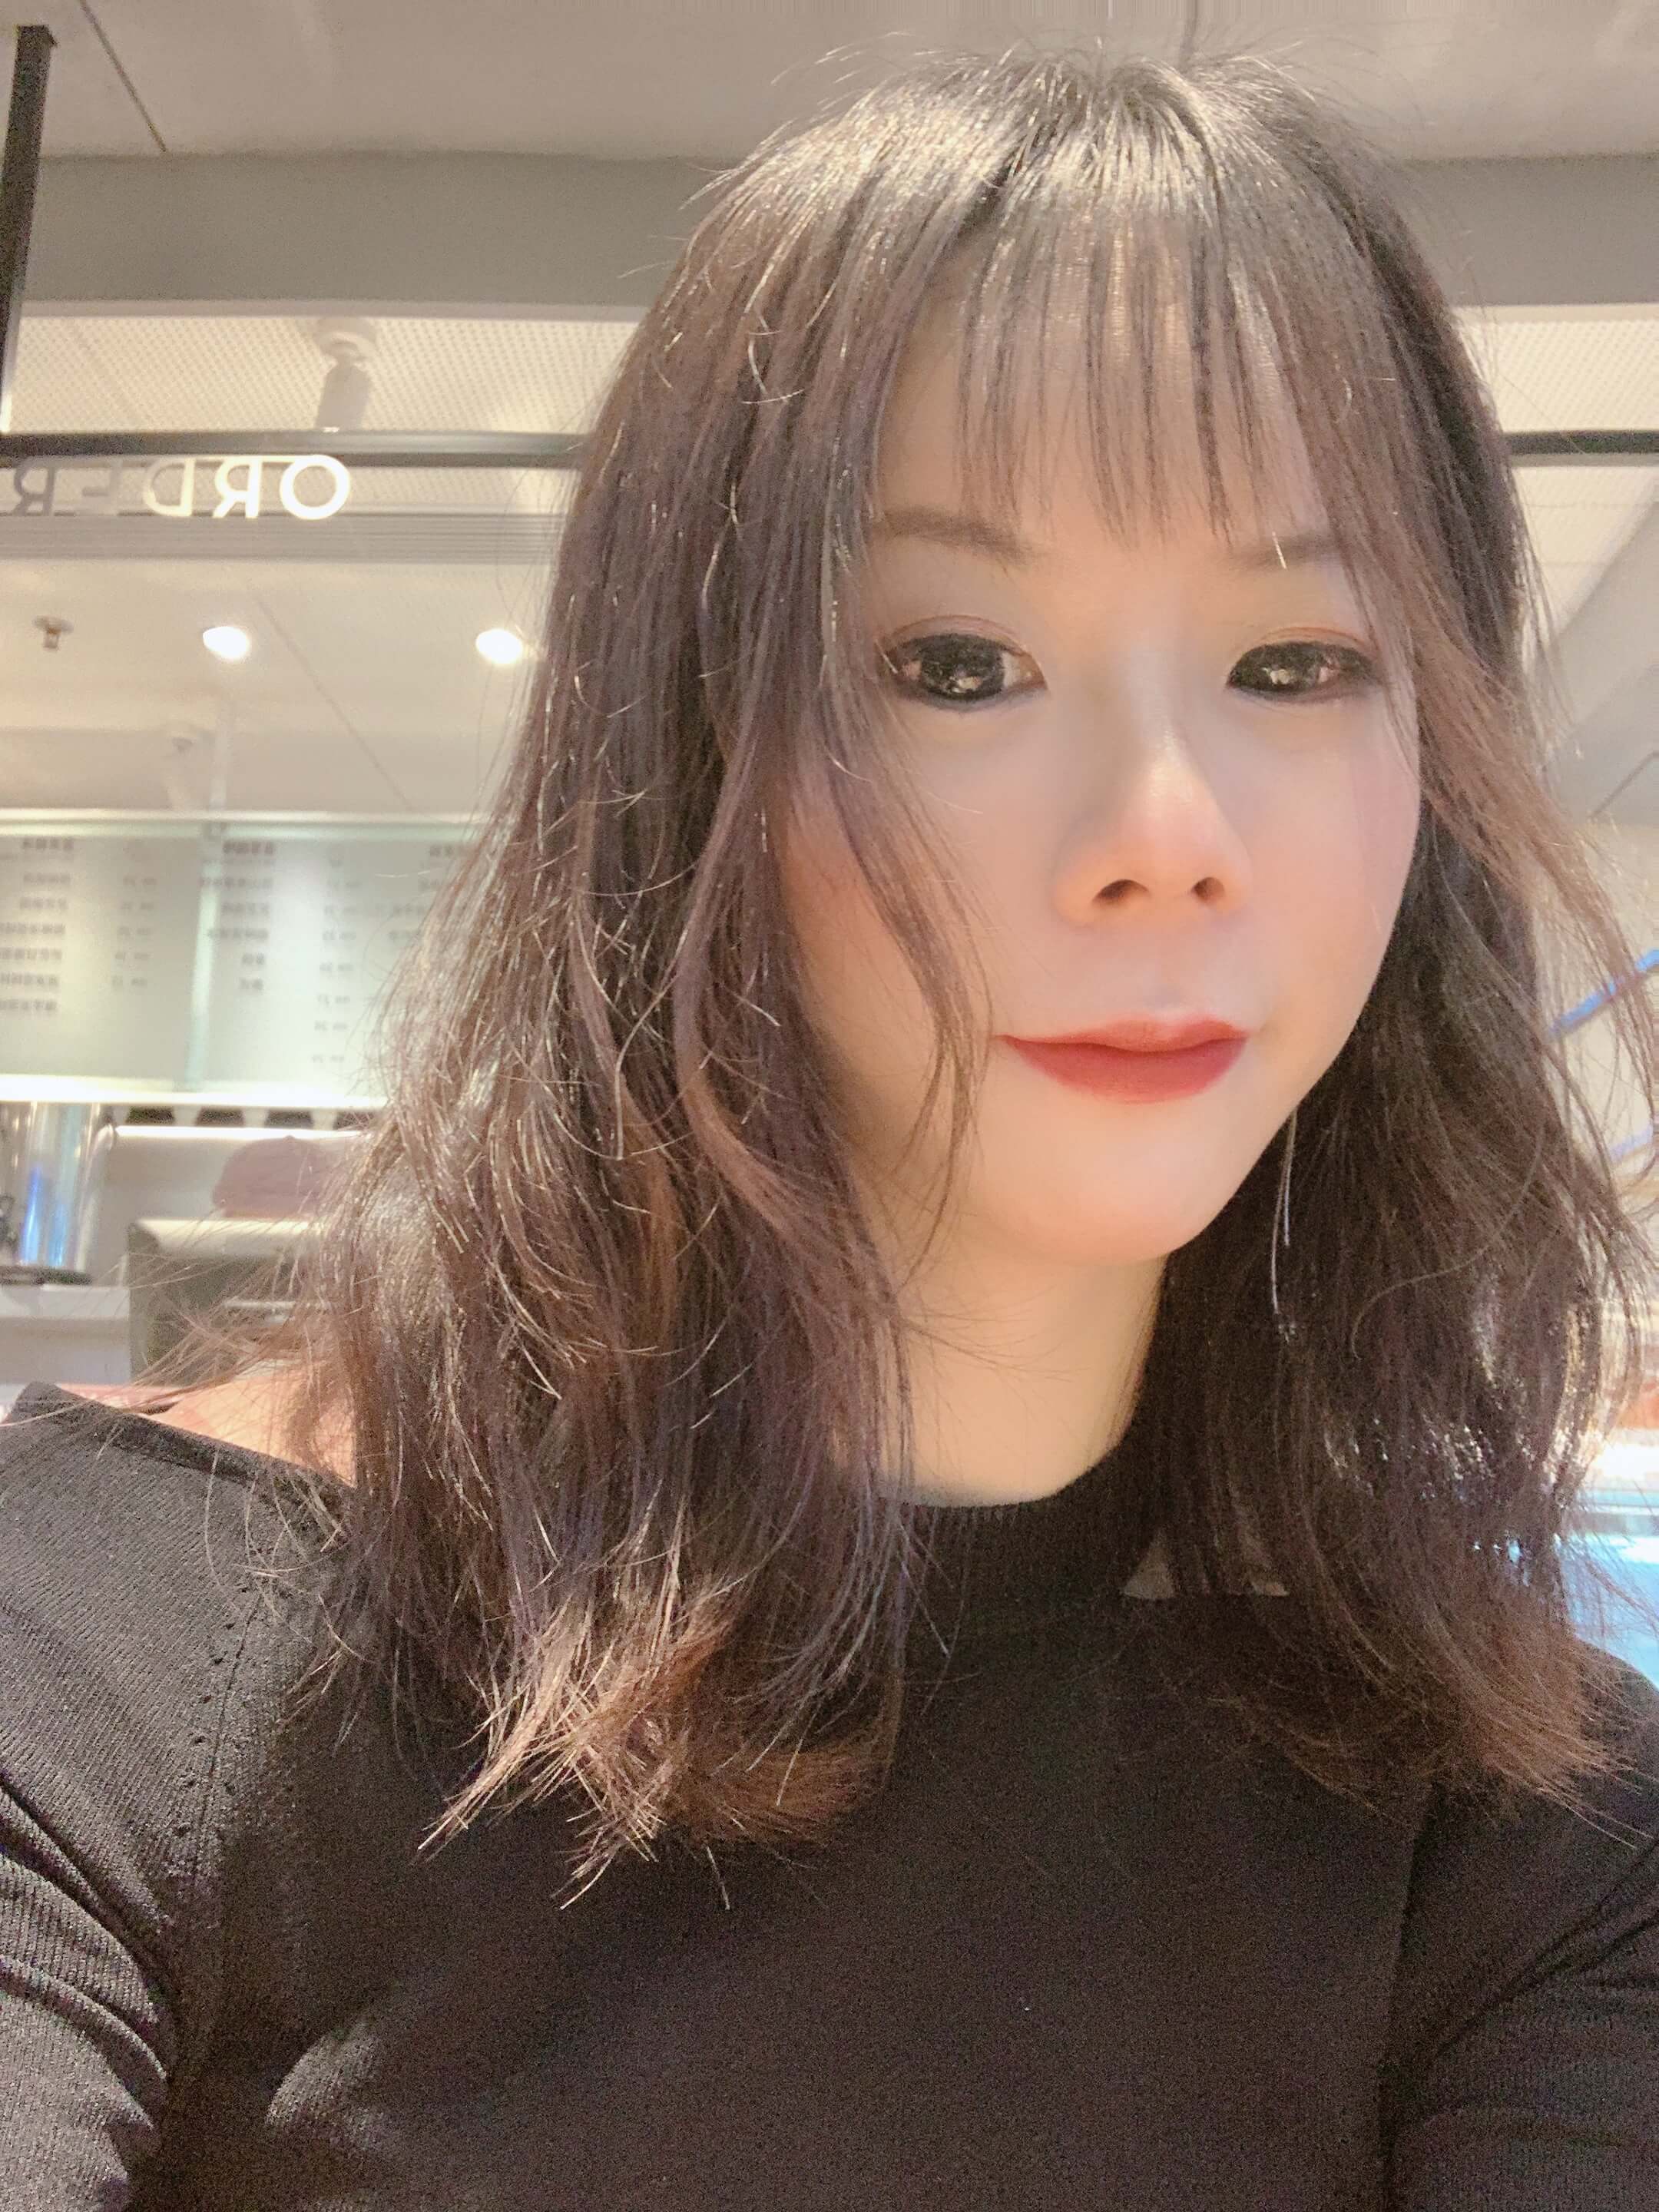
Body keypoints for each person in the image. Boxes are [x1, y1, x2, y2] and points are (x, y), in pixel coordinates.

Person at [4, 42, 1657, 2210]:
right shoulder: (119, 1651)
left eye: (1297, 661)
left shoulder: (1519, 1826)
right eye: (956, 664)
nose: (1167, 833)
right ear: (691, 746)